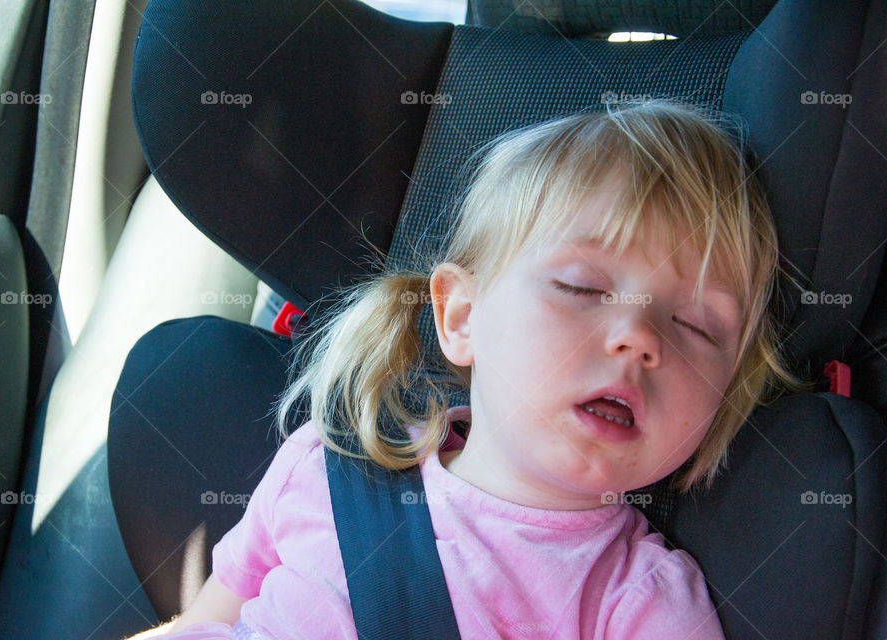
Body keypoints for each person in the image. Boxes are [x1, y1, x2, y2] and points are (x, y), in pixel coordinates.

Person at [125, 100, 807, 640]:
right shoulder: (326, 468)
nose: (638, 338)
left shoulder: (638, 603)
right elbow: (209, 616)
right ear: (459, 318)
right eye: (581, 287)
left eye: (695, 326)